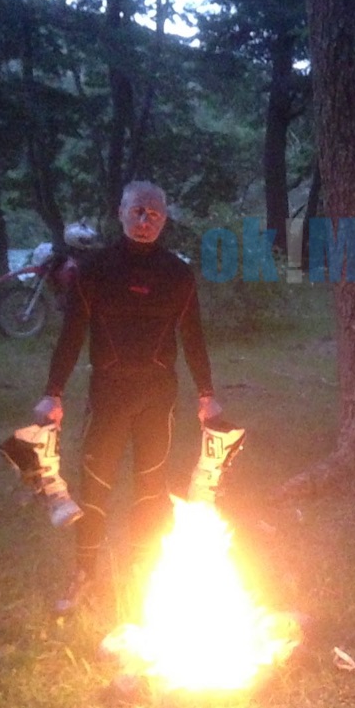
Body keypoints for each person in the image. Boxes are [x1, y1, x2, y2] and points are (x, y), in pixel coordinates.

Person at [33, 180, 222, 614]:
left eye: (154, 214)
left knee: (150, 490)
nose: (144, 221)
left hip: (158, 395)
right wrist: (53, 393)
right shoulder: (96, 269)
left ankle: (143, 577)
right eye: (137, 211)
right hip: (110, 394)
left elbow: (193, 336)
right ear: (120, 212)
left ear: (165, 219)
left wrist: (207, 394)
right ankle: (84, 575)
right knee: (95, 486)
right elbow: (72, 333)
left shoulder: (177, 274)